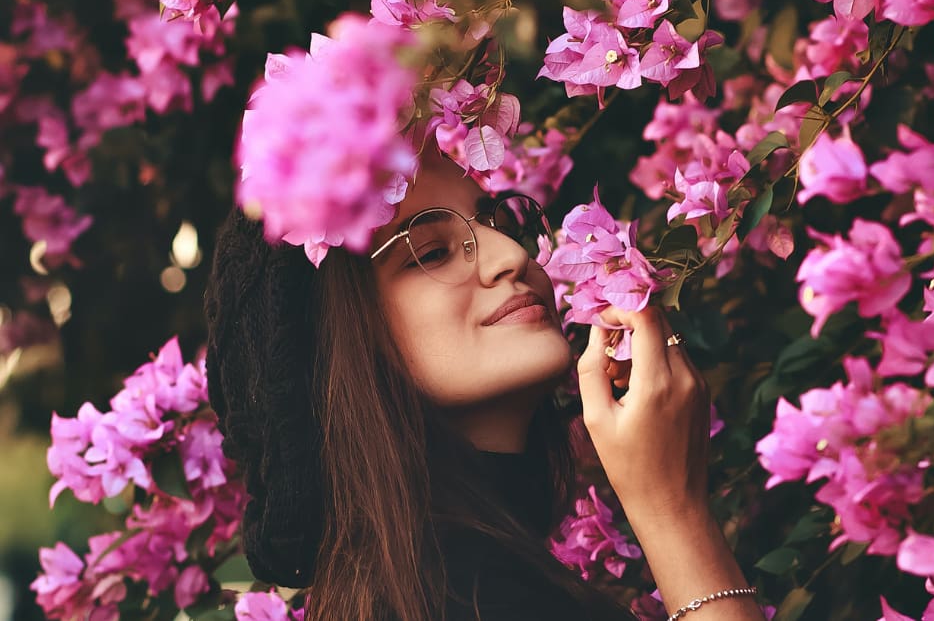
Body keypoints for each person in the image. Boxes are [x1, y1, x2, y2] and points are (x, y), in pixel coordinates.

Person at [203, 151, 766, 621]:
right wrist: (674, 514)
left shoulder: (461, 577)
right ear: (335, 348)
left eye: (499, 223)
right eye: (432, 253)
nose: (514, 257)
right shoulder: (452, 598)